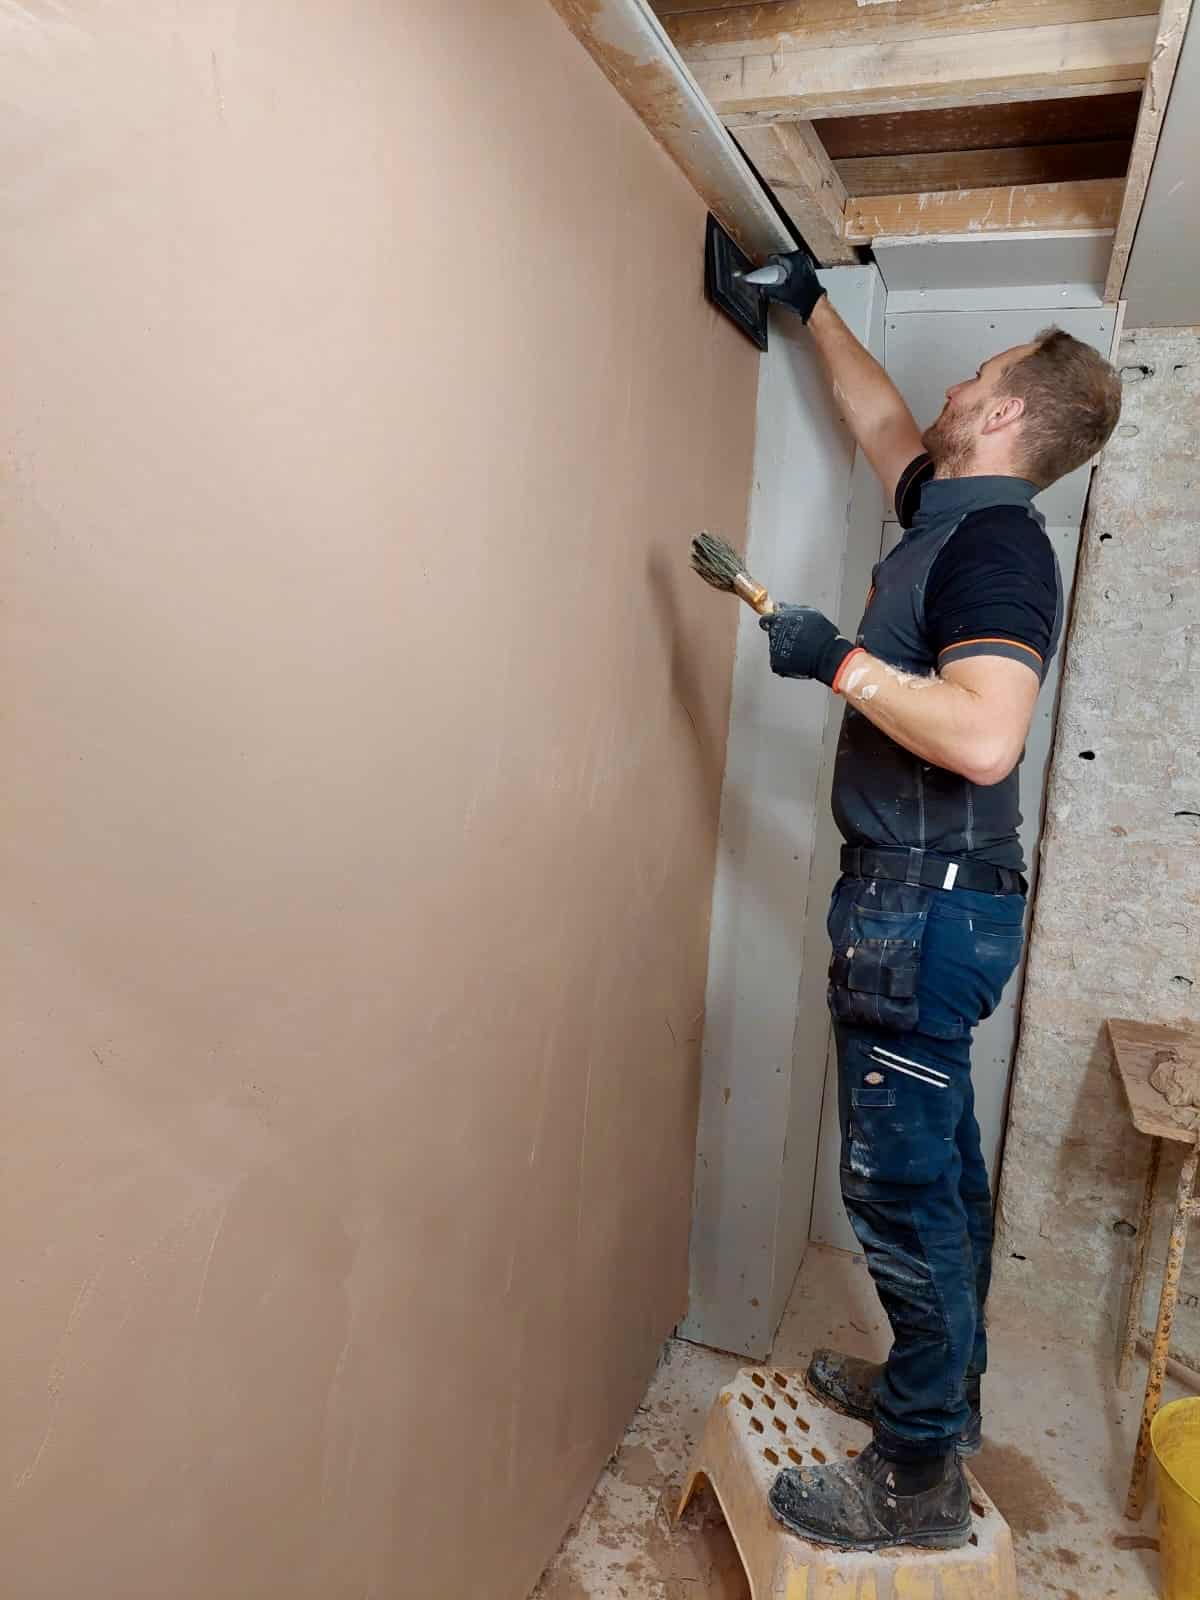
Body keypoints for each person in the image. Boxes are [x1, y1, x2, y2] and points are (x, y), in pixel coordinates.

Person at [754, 252, 1122, 1552]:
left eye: (977, 373)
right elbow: (878, 423)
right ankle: (941, 1398)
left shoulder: (999, 553)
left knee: (899, 1192)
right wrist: (804, 306)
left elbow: (982, 738)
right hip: (929, 907)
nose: (952, 384)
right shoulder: (945, 507)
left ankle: (913, 1482)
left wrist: (838, 660)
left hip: (921, 912)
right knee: (944, 1180)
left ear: (1012, 412)